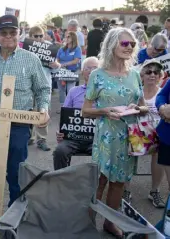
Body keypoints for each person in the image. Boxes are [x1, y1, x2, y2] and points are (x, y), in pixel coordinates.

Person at [0, 15, 51, 223]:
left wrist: (43, 109)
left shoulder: (31, 59)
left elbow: (42, 89)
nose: (8, 37)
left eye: (12, 32)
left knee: (16, 168)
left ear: (18, 34)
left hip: (19, 125)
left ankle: (16, 207)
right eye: (3, 33)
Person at [82, 28, 148, 238]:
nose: (129, 47)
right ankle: (87, 222)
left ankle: (110, 223)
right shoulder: (97, 75)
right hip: (106, 137)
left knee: (119, 182)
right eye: (124, 43)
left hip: (129, 137)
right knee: (99, 181)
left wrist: (138, 109)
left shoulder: (136, 74)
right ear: (111, 45)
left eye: (132, 44)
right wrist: (105, 111)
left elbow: (143, 106)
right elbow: (85, 110)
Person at [123, 59, 166, 207]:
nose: (152, 75)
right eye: (148, 71)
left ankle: (154, 191)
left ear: (160, 75)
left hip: (157, 133)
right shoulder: (135, 92)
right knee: (128, 148)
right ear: (142, 74)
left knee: (161, 150)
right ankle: (126, 191)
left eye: (156, 72)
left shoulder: (163, 93)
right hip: (137, 131)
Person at [53, 57, 98, 170]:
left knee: (103, 153)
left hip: (96, 138)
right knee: (59, 151)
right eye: (88, 68)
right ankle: (61, 181)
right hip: (72, 138)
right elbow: (65, 115)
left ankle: (98, 185)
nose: (91, 71)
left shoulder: (105, 92)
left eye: (95, 68)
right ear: (82, 71)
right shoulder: (74, 91)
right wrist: (60, 131)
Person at [26, 25, 62, 151]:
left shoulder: (48, 47)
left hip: (44, 84)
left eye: (41, 35)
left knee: (43, 110)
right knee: (28, 110)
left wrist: (56, 65)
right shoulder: (26, 48)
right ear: (30, 37)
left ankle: (42, 139)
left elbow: (57, 66)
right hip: (28, 84)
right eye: (36, 36)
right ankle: (30, 136)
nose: (39, 38)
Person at [56, 31, 82, 108]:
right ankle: (63, 107)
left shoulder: (77, 49)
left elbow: (76, 60)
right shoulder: (61, 49)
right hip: (61, 72)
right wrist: (58, 64)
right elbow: (57, 59)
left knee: (70, 90)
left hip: (72, 72)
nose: (66, 38)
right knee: (61, 91)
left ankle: (70, 107)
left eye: (68, 37)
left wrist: (64, 64)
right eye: (65, 37)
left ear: (73, 38)